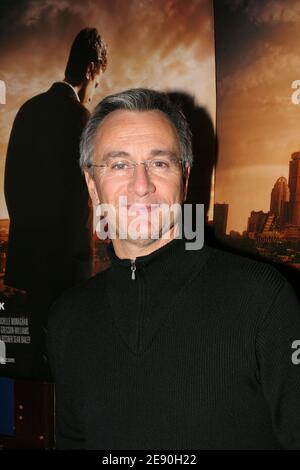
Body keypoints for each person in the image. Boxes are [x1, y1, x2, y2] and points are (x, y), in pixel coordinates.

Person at [47, 88, 300, 449]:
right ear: (92, 183)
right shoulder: (67, 320)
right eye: (119, 164)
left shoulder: (263, 300)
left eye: (159, 163)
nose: (141, 185)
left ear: (185, 176)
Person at [4, 28, 107, 376]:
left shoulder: (28, 110)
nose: (96, 91)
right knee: (68, 363)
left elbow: (11, 185)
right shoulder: (81, 120)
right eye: (99, 80)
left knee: (36, 361)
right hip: (66, 268)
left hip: (33, 264)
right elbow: (85, 200)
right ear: (91, 70)